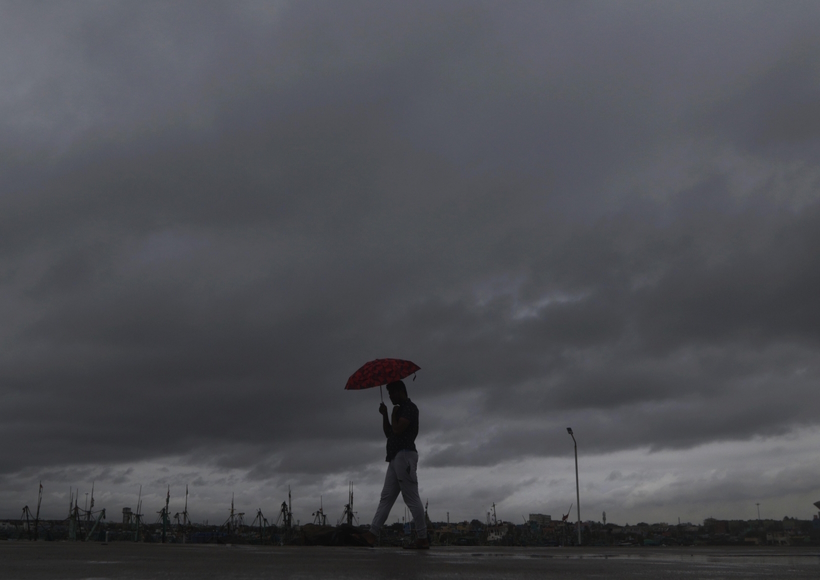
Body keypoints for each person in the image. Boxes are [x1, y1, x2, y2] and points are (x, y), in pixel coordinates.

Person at [361, 380, 429, 549]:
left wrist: (392, 413)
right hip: (394, 458)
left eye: (392, 393)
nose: (390, 396)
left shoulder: (409, 408)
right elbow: (389, 433)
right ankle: (372, 533)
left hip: (405, 456)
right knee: (386, 497)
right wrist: (385, 414)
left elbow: (398, 430)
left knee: (411, 497)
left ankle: (422, 537)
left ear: (400, 391)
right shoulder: (399, 409)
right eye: (389, 393)